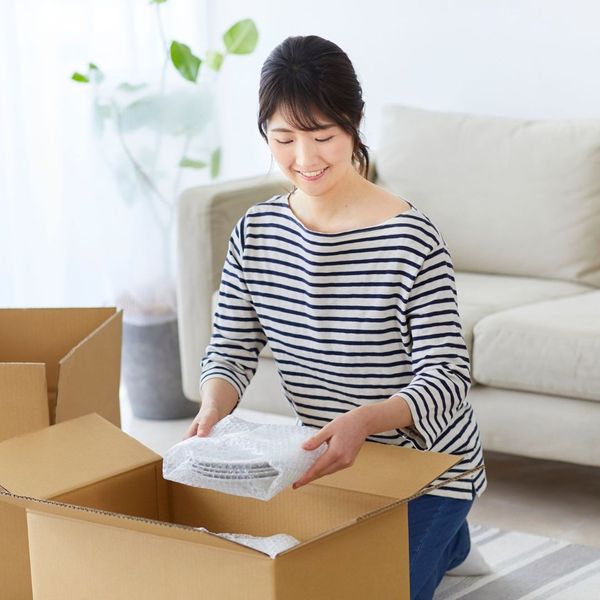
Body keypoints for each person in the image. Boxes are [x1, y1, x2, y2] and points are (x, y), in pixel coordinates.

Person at [184, 35, 489, 599]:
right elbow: (230, 348)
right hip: (329, 466)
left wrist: (365, 421)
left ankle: (450, 527)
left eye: (323, 137)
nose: (305, 159)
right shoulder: (255, 234)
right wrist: (211, 410)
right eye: (284, 139)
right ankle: (446, 544)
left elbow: (447, 376)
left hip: (427, 470)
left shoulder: (410, 237)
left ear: (354, 126)